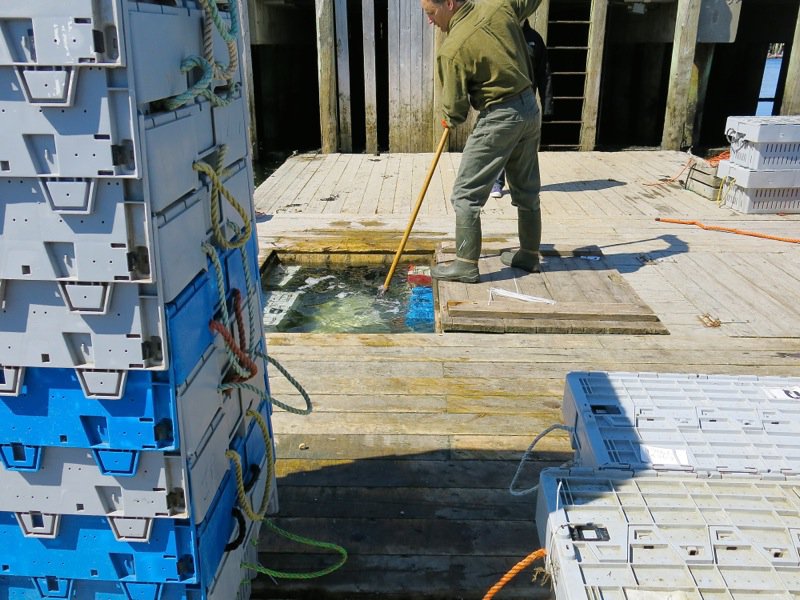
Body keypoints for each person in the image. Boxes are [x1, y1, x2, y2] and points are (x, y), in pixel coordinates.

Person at [421, 0, 544, 282]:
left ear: (449, 4)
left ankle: (465, 265)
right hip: (529, 108)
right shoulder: (498, 5)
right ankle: (528, 255)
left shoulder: (452, 49)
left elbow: (456, 110)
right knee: (526, 189)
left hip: (499, 118)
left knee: (465, 194)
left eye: (430, 13)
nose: (430, 20)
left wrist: (448, 118)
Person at [491, 20, 553, 198]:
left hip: (527, 104)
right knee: (501, 143)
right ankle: (496, 183)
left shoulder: (534, 39)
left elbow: (544, 74)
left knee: (524, 149)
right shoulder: (500, 34)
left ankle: (523, 187)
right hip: (502, 102)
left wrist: (547, 106)